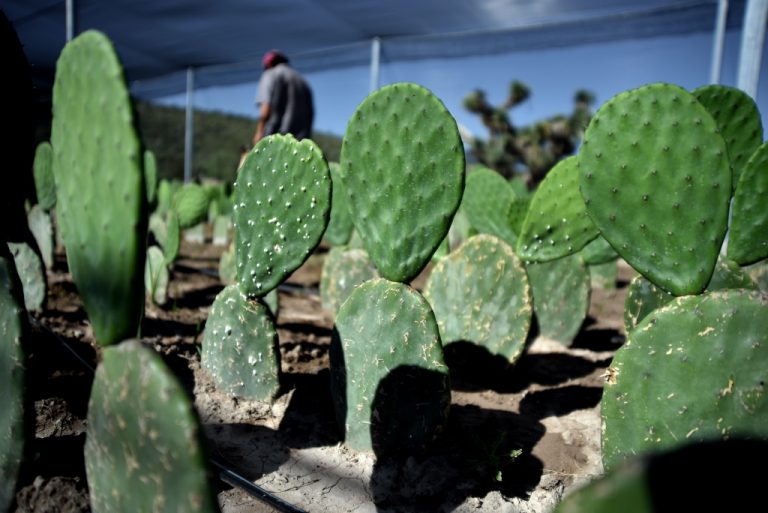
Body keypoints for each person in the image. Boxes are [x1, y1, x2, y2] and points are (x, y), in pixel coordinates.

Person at [252, 50, 314, 145]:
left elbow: (265, 108)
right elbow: (311, 113)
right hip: (300, 142)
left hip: (275, 140)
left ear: (269, 64)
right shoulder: (303, 81)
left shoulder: (270, 74)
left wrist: (259, 133)